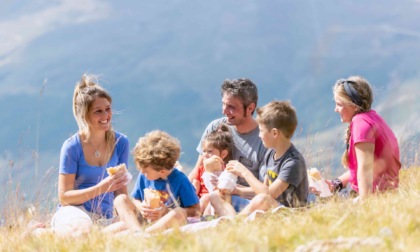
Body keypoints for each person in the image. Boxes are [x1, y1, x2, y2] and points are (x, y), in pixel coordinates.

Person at [51, 74, 130, 233]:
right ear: (85, 115)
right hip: (75, 212)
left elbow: (121, 192)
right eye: (98, 111)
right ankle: (47, 232)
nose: (105, 116)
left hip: (105, 217)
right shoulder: (72, 147)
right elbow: (65, 197)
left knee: (135, 223)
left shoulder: (121, 142)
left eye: (108, 109)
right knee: (84, 228)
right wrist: (101, 188)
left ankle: (52, 233)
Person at [210, 101, 308, 217]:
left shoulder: (293, 162)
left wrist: (244, 172)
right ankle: (228, 220)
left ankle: (235, 224)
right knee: (216, 195)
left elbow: (268, 195)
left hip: (289, 214)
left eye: (261, 131)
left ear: (274, 133)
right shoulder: (270, 153)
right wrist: (237, 190)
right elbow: (264, 188)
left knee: (262, 199)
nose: (259, 135)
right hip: (267, 206)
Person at [188, 78, 267, 211]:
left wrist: (235, 190)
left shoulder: (264, 140)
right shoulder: (215, 127)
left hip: (245, 202)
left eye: (231, 107)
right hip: (207, 197)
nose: (224, 111)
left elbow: (266, 192)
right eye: (223, 104)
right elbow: (197, 170)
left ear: (250, 108)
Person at [105, 130, 200, 234]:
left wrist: (166, 211)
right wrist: (141, 207)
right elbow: (136, 199)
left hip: (166, 221)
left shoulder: (180, 180)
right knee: (120, 199)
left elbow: (196, 210)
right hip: (144, 220)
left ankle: (147, 233)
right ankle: (137, 231)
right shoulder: (144, 176)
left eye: (145, 171)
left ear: (162, 171)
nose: (141, 172)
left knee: (179, 212)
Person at [328, 76, 401, 201]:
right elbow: (362, 167)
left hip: (376, 197)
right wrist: (336, 184)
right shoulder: (372, 117)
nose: (336, 109)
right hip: (384, 193)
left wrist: (363, 201)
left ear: (354, 106)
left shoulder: (361, 124)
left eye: (339, 104)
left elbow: (365, 168)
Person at [190, 124, 234, 215]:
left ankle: (206, 219)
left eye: (210, 151)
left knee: (211, 198)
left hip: (219, 199)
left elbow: (229, 187)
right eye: (204, 151)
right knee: (205, 198)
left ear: (223, 154)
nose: (205, 154)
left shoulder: (226, 170)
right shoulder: (200, 169)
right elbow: (195, 187)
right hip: (201, 200)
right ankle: (196, 216)